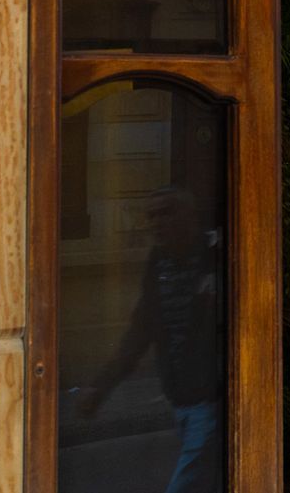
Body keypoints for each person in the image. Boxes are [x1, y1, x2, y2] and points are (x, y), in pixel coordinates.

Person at [77, 187, 223, 493]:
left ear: (188, 216)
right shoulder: (159, 262)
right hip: (181, 399)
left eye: (165, 212)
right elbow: (140, 331)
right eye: (152, 215)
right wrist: (101, 387)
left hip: (211, 403)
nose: (156, 222)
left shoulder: (215, 257)